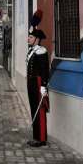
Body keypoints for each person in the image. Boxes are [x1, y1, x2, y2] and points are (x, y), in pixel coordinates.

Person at [26, 20, 50, 148]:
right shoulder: (32, 51)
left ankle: (41, 139)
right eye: (29, 37)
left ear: (37, 39)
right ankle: (36, 136)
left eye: (30, 37)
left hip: (38, 84)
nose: (28, 39)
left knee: (39, 111)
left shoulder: (41, 51)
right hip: (31, 85)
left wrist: (43, 87)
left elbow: (45, 70)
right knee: (34, 109)